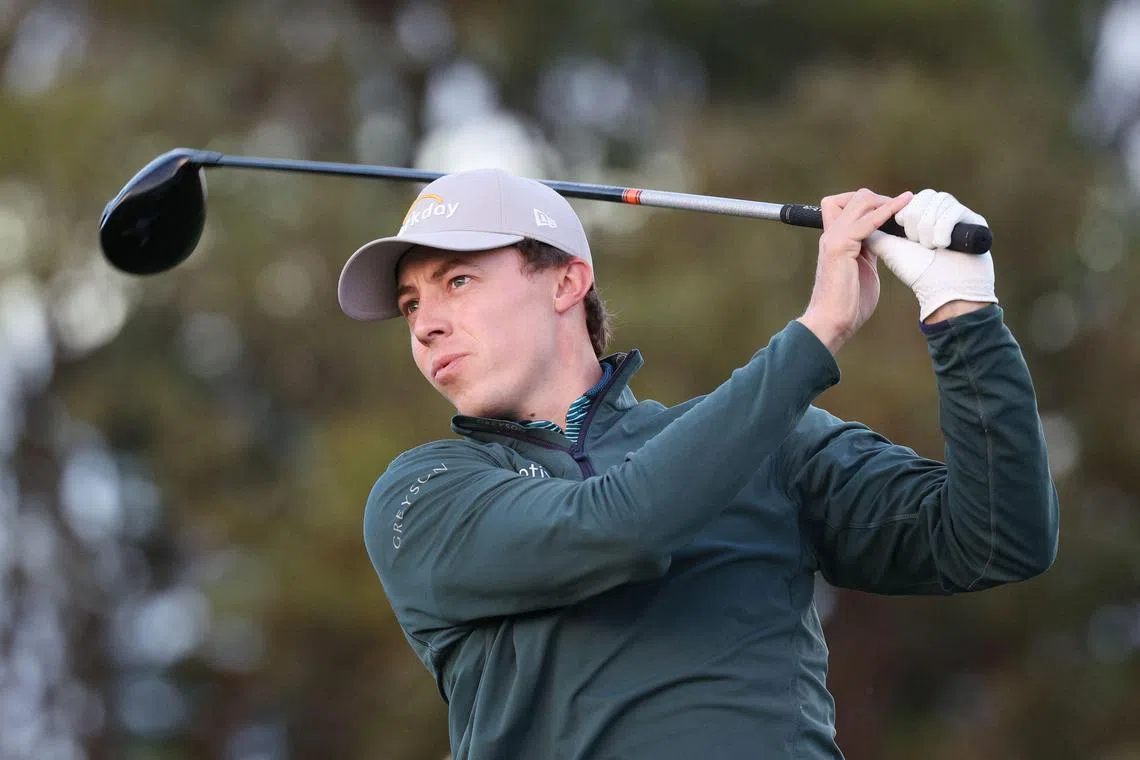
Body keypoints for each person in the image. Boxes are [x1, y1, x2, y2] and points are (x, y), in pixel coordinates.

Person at [337, 168, 1059, 760]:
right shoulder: (423, 494)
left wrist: (961, 310)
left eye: (457, 282)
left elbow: (997, 537)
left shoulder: (771, 442)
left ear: (566, 283)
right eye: (410, 304)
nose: (426, 323)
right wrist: (816, 333)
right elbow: (621, 528)